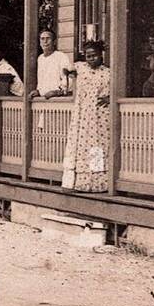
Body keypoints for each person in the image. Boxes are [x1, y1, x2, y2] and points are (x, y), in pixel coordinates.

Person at [62, 39, 111, 193]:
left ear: (101, 55)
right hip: (83, 114)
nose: (91, 59)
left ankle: (97, 182)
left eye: (94, 55)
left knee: (97, 145)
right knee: (83, 145)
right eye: (88, 56)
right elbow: (65, 72)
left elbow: (117, 88)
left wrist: (110, 98)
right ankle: (82, 181)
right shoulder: (80, 68)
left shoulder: (108, 72)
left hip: (100, 114)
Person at [30, 28, 74, 100]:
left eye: (48, 38)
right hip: (43, 99)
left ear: (54, 42)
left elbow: (70, 77)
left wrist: (58, 92)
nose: (45, 41)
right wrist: (38, 91)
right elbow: (42, 80)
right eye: (42, 39)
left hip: (57, 98)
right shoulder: (40, 58)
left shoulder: (61, 56)